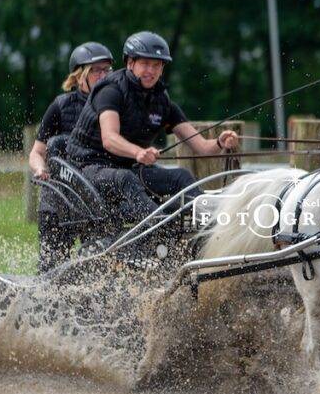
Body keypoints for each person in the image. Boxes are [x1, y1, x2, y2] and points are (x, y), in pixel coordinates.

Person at [66, 31, 239, 223]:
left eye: (156, 65)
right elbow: (109, 139)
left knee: (181, 176)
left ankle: (212, 223)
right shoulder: (111, 91)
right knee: (125, 179)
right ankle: (160, 226)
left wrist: (219, 142)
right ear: (130, 63)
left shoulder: (162, 102)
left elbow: (202, 147)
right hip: (86, 168)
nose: (151, 70)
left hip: (127, 169)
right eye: (145, 63)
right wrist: (138, 152)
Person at [30, 41, 114, 272]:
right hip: (59, 199)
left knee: (98, 266)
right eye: (96, 70)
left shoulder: (115, 105)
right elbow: (37, 152)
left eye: (107, 70)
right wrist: (40, 169)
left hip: (96, 198)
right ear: (79, 76)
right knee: (51, 267)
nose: (103, 75)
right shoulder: (60, 105)